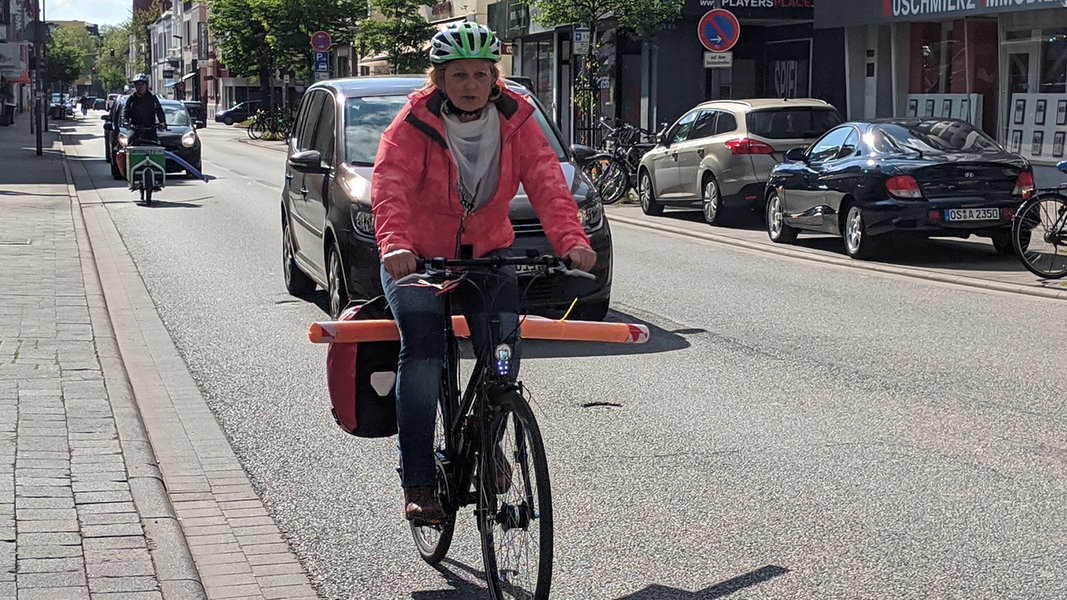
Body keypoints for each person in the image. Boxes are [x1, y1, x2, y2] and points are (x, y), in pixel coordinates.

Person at [372, 22, 597, 523]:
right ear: (439, 79)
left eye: (480, 74)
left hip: (489, 253)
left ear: (495, 77)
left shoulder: (517, 119)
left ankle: (486, 436)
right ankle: (420, 482)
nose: (470, 85)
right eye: (458, 75)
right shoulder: (412, 123)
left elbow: (548, 185)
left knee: (503, 353)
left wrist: (572, 242)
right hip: (418, 258)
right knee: (425, 354)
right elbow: (390, 187)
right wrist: (395, 246)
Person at [124, 74, 167, 144]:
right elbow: (126, 110)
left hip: (150, 129)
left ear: (146, 85)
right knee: (131, 140)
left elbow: (159, 110)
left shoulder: (152, 97)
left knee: (156, 145)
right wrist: (126, 122)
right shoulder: (132, 98)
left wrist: (162, 122)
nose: (140, 87)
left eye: (142, 84)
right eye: (137, 85)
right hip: (135, 128)